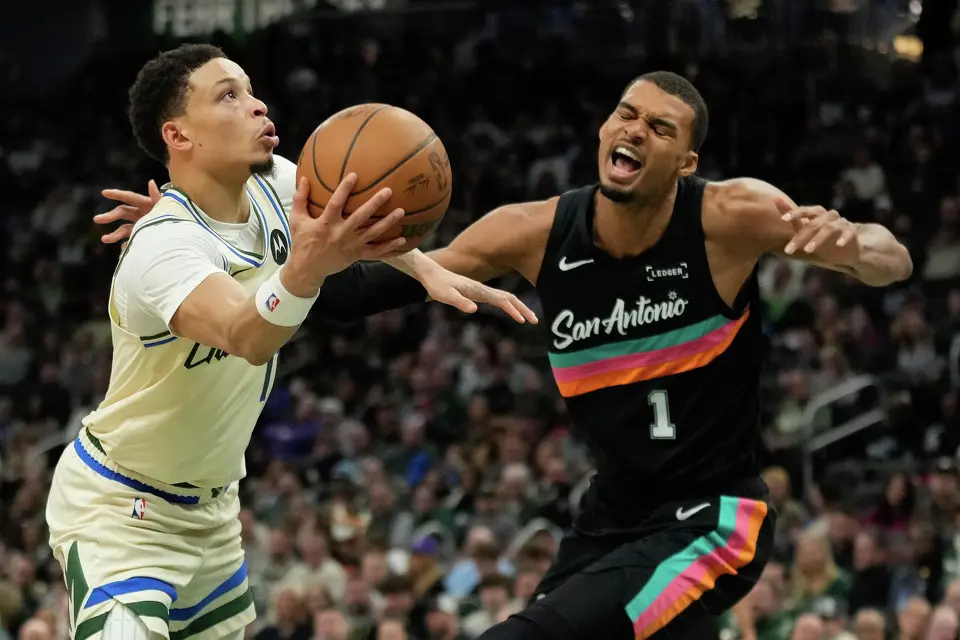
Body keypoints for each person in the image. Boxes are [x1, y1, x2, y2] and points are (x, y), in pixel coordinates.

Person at [101, 71, 912, 639]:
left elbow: (889, 258)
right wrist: (206, 238)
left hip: (711, 521)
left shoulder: (730, 218)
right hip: (609, 519)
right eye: (626, 114)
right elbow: (344, 298)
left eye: (659, 128)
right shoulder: (533, 233)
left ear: (685, 162)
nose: (633, 130)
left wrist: (854, 242)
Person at [54, 44, 536, 640]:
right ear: (178, 135)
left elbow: (349, 218)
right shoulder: (162, 247)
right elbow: (246, 335)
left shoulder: (280, 183)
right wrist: (305, 269)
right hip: (122, 511)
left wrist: (428, 270)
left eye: (251, 90)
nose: (257, 105)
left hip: (212, 512)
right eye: (228, 95)